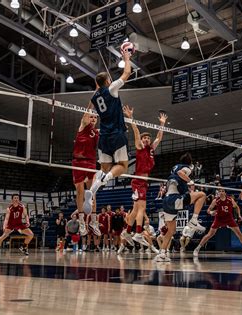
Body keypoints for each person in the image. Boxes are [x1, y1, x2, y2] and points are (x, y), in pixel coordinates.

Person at [83, 51, 132, 213]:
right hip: (116, 134)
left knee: (105, 168)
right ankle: (104, 179)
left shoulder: (94, 97)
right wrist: (126, 58)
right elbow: (127, 73)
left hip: (103, 137)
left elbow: (91, 101)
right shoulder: (111, 88)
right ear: (107, 81)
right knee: (123, 167)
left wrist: (97, 88)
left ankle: (94, 188)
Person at [121, 105, 167, 248]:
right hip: (138, 180)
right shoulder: (140, 147)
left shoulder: (151, 149)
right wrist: (130, 117)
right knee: (142, 208)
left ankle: (127, 232)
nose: (147, 139)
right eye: (145, 138)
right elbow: (135, 131)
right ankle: (138, 233)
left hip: (144, 182)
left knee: (135, 210)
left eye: (148, 138)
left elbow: (159, 137)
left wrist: (162, 124)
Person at [156, 153, 207, 262]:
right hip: (175, 199)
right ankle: (194, 220)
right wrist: (190, 181)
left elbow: (177, 179)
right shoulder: (187, 168)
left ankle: (162, 254)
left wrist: (188, 190)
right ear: (190, 162)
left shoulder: (174, 168)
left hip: (166, 201)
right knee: (202, 195)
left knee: (171, 230)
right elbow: (181, 173)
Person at [193, 188, 242, 257]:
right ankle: (197, 249)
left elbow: (236, 207)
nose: (221, 192)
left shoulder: (230, 199)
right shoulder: (215, 200)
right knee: (210, 235)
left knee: (239, 234)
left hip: (229, 218)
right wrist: (211, 212)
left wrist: (239, 215)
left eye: (222, 191)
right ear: (218, 193)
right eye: (219, 191)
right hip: (219, 219)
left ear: (225, 193)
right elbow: (208, 210)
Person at [72, 112, 100, 234]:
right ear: (87, 118)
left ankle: (93, 222)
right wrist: (95, 96)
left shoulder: (97, 132)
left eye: (95, 117)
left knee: (92, 192)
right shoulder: (83, 126)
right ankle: (82, 221)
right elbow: (85, 115)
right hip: (78, 162)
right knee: (80, 191)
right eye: (91, 116)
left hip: (91, 162)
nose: (93, 119)